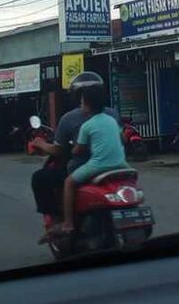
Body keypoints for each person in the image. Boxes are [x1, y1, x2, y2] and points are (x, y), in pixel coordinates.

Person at [30, 72, 120, 237]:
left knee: (43, 178)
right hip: (118, 163)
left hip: (89, 166)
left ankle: (64, 222)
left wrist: (41, 144)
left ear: (81, 99)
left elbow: (62, 150)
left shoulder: (70, 119)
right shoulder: (113, 115)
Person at [58, 82, 129, 233]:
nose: (80, 104)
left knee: (68, 182)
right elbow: (123, 139)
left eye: (82, 101)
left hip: (99, 166)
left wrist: (75, 147)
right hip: (122, 164)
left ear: (88, 105)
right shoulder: (112, 120)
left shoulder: (87, 126)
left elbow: (77, 150)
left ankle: (68, 223)